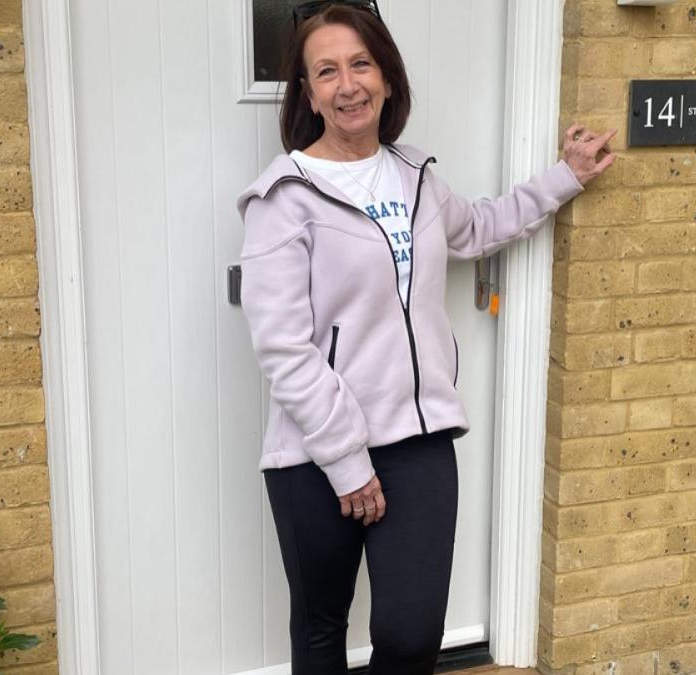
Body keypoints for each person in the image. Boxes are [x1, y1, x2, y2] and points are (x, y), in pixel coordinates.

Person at [236, 2, 614, 673]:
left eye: (360, 63)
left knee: (411, 638)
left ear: (386, 76)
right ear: (308, 93)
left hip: (419, 440)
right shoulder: (283, 197)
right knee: (321, 629)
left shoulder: (414, 177)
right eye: (327, 71)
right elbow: (283, 347)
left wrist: (567, 175)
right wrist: (348, 460)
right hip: (315, 454)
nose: (347, 84)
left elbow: (481, 226)